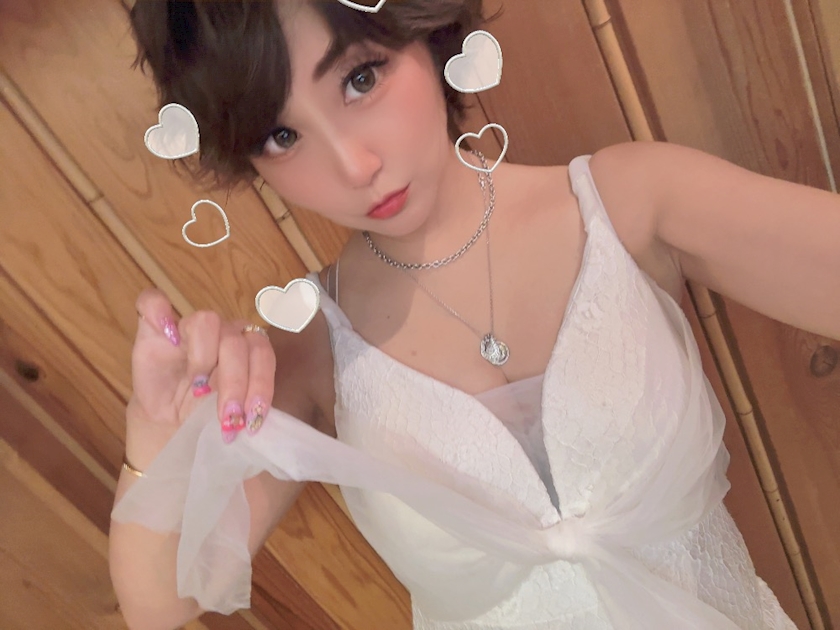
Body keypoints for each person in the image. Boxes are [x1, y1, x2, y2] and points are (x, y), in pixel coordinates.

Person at [109, 1, 840, 629]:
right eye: (282, 136)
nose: (354, 165)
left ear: (426, 32)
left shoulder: (626, 204)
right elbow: (163, 602)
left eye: (361, 78)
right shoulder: (306, 353)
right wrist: (155, 435)